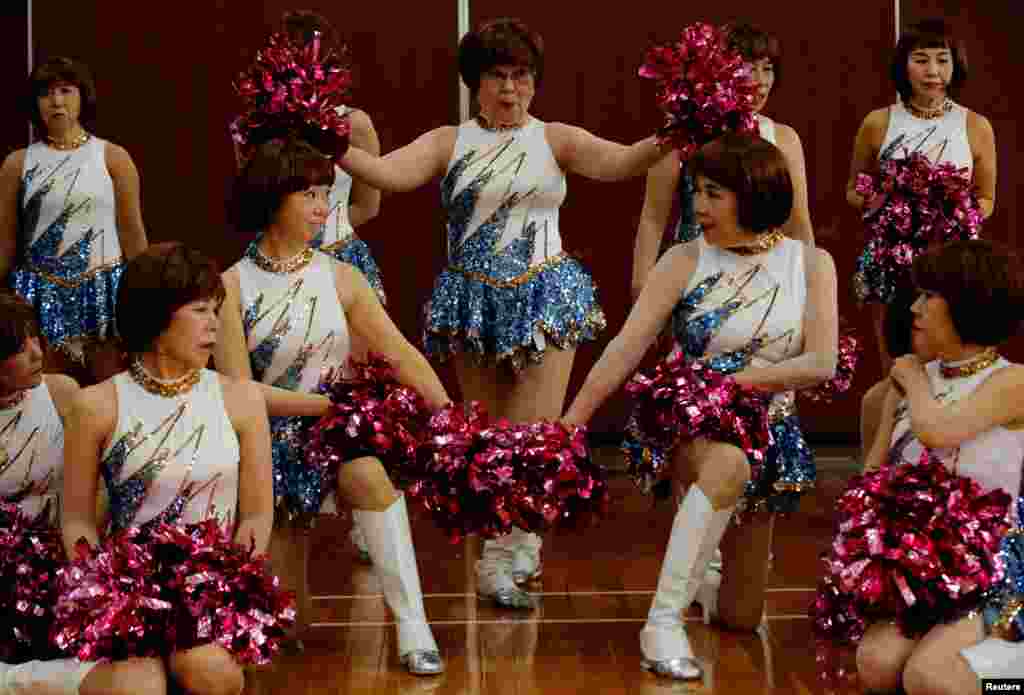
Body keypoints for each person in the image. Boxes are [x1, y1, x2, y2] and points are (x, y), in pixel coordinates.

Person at [340, 17, 672, 609]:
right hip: (473, 300)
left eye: (521, 76)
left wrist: (680, 130)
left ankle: (520, 547)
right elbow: (387, 173)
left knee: (536, 436)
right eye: (497, 76)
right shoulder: (448, 141)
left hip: (546, 294)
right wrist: (324, 139)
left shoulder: (557, 139)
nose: (511, 89)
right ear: (475, 83)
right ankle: (495, 558)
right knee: (488, 437)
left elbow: (623, 162)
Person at [564, 132, 837, 679]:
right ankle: (661, 622)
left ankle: (701, 577)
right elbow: (625, 348)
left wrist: (740, 384)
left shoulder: (812, 264)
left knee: (741, 616)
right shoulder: (683, 259)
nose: (698, 207)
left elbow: (821, 363)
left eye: (713, 194)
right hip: (691, 421)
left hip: (771, 434)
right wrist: (570, 423)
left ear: (753, 194)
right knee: (726, 463)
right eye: (697, 192)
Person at [215, 137, 449, 675]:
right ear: (274, 198)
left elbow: (401, 352)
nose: (325, 206)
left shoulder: (342, 277)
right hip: (267, 440)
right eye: (311, 194)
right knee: (289, 627)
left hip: (336, 432)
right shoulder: (231, 286)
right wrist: (321, 405)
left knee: (370, 476)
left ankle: (414, 628)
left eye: (327, 193)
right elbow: (242, 393)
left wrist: (448, 412)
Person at [61, 243, 275, 695]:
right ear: (157, 317)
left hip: (210, 595)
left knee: (210, 675)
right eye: (199, 310)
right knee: (137, 688)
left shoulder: (242, 400)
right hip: (128, 597)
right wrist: (103, 594)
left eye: (216, 309)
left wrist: (230, 587)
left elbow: (256, 514)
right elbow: (78, 519)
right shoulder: (94, 405)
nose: (214, 322)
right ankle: (24, 681)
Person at [856, 240, 1024, 695]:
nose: (915, 307)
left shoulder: (1012, 381)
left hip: (992, 572)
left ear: (969, 300)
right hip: (927, 572)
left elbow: (941, 432)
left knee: (928, 677)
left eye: (929, 295)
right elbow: (872, 480)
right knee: (875, 663)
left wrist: (911, 379)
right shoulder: (906, 385)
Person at [0, 290, 165, 694]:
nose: (37, 352)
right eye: (18, 347)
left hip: (65, 559)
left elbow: (102, 488)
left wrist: (81, 557)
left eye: (35, 338)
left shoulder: (62, 394)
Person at [846, 18, 996, 374]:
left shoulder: (975, 125)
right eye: (921, 59)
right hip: (890, 262)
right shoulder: (877, 122)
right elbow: (853, 190)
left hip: (953, 265)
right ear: (903, 65)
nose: (932, 72)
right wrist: (887, 205)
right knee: (896, 368)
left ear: (955, 65)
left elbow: (987, 200)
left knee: (955, 367)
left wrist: (953, 212)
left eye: (942, 60)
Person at [632, 22, 813, 302]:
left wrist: (810, 284)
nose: (761, 81)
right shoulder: (682, 132)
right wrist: (640, 286)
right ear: (721, 72)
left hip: (767, 278)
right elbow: (653, 218)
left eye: (768, 68)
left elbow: (798, 222)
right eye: (749, 68)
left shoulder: (784, 138)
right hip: (695, 277)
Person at [0, 57, 147, 384]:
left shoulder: (113, 157)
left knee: (111, 393)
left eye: (65, 91)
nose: (56, 102)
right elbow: (5, 243)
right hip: (40, 299)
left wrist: (147, 303)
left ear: (82, 96)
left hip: (104, 296)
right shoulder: (17, 163)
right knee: (48, 398)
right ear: (35, 104)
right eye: (45, 94)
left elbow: (134, 238)